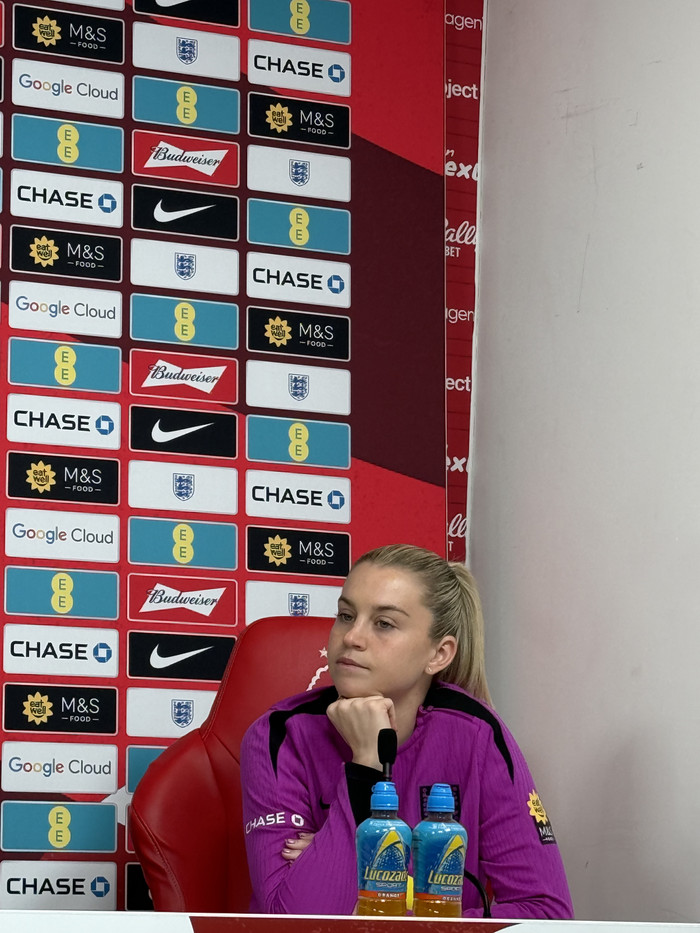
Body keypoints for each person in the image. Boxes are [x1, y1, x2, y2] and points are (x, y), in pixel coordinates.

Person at [240, 544, 574, 917]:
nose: (352, 637)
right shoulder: (277, 736)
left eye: (384, 623)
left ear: (439, 654)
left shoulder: (478, 734)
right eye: (346, 615)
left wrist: (356, 862)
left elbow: (547, 914)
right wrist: (365, 765)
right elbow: (294, 921)